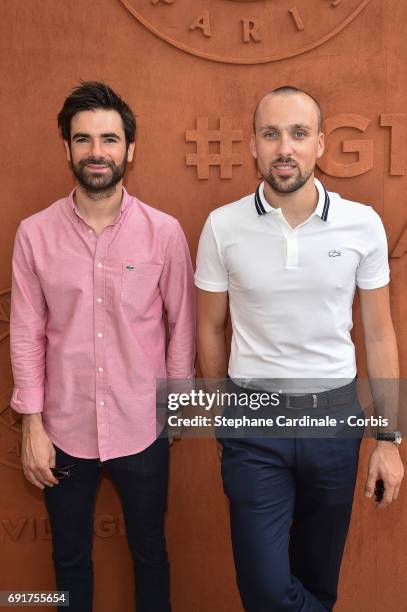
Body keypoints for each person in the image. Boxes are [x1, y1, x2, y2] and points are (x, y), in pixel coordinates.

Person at [195, 86, 404, 611]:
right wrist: (225, 411)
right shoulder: (223, 226)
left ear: (320, 144)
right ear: (253, 145)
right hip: (253, 424)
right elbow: (209, 327)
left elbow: (378, 334)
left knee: (316, 582)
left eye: (298, 133)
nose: (284, 147)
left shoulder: (363, 224)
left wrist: (389, 438)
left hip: (334, 421)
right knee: (265, 588)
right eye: (271, 134)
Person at [10, 81, 195, 612]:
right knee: (69, 559)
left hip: (143, 426)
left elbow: (181, 323)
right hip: (63, 430)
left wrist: (176, 408)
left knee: (151, 553)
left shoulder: (163, 233)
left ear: (129, 150)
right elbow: (25, 330)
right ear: (66, 148)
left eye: (110, 139)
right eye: (84, 138)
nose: (97, 151)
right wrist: (33, 424)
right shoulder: (34, 235)